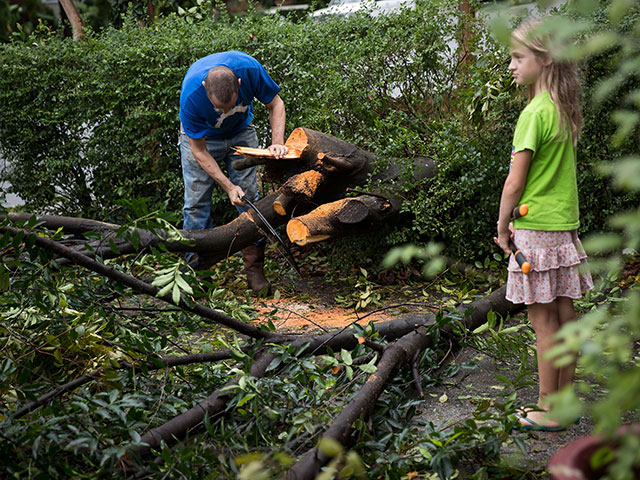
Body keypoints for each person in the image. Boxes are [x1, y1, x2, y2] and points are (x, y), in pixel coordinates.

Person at [493, 18, 594, 431]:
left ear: (545, 58)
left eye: (518, 57)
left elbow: (516, 181)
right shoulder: (563, 110)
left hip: (535, 232)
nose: (511, 66)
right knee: (565, 316)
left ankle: (547, 409)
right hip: (564, 230)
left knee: (543, 323)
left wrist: (501, 225)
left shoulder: (534, 113)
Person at [179, 51, 288, 295]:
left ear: (239, 83)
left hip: (242, 132)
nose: (226, 112)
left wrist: (277, 142)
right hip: (202, 141)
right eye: (220, 108)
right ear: (205, 87)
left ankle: (255, 270)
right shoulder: (191, 94)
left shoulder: (248, 70)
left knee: (249, 199)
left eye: (230, 105)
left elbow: (276, 103)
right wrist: (228, 187)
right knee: (196, 204)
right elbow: (198, 150)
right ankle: (196, 274)